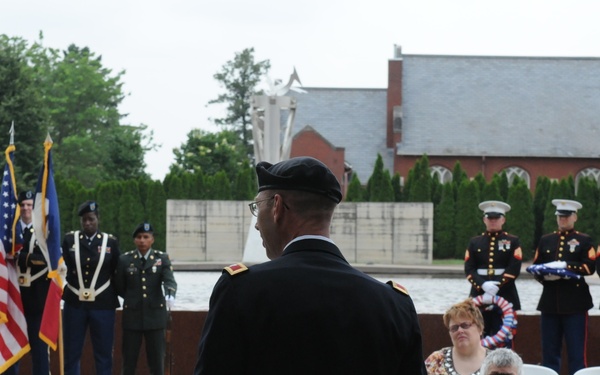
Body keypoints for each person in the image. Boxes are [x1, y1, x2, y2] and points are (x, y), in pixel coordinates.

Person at [194, 156, 427, 375]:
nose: (256, 225)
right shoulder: (394, 304)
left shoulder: (241, 290)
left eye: (257, 208)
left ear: (276, 207)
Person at [532, 199, 596, 375]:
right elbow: (536, 266)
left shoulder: (584, 240)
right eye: (560, 216)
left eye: (566, 216)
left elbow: (589, 267)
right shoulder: (546, 240)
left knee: (577, 354)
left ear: (574, 217)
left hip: (575, 303)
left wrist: (565, 266)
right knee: (549, 354)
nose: (563, 220)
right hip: (550, 302)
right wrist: (546, 277)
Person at [62, 200, 120, 375]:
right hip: (75, 304)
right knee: (71, 353)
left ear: (98, 219)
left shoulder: (110, 242)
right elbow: (62, 268)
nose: (87, 223)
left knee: (103, 355)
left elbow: (116, 271)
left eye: (91, 219)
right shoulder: (70, 240)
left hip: (102, 305)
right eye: (84, 220)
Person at [115, 222, 177, 375]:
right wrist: (132, 298)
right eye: (139, 237)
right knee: (129, 362)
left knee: (157, 363)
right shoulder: (125, 260)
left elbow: (169, 279)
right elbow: (119, 286)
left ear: (152, 239)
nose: (142, 240)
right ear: (134, 240)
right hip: (132, 318)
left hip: (155, 317)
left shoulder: (161, 258)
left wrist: (170, 293)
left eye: (145, 237)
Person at [464, 200, 522, 348]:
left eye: (496, 218)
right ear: (484, 220)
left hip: (505, 295)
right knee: (477, 338)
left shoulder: (512, 241)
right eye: (490, 218)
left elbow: (514, 267)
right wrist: (483, 284)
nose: (493, 221)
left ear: (503, 219)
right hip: (478, 295)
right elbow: (469, 268)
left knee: (504, 342)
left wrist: (497, 285)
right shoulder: (475, 242)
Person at [16, 190, 51, 374]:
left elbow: (46, 259)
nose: (26, 208)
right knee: (12, 350)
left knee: (39, 351)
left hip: (37, 299)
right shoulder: (9, 230)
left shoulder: (42, 231)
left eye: (29, 205)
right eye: (23, 205)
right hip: (14, 299)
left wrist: (20, 257)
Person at [425, 298, 489, 375]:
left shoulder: (496, 362)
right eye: (454, 328)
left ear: (480, 328)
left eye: (465, 325)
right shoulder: (436, 360)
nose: (460, 331)